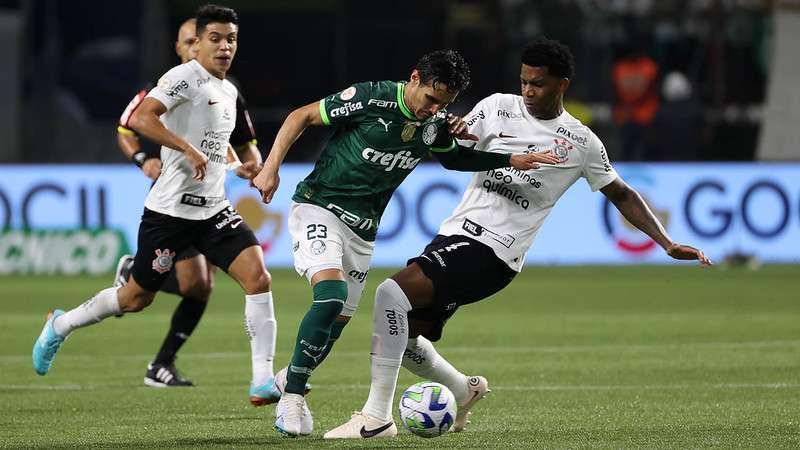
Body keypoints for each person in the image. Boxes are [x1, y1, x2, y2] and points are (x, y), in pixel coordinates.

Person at [323, 37, 711, 439]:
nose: (527, 90)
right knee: (402, 333)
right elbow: (456, 147)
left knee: (390, 295)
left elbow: (622, 194)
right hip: (454, 234)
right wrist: (452, 131)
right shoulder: (496, 107)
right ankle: (462, 388)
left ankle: (376, 418)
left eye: (538, 84)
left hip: (494, 253)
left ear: (562, 84)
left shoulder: (581, 142)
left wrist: (666, 243)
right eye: (524, 81)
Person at [251, 49, 555, 437]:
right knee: (329, 295)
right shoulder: (371, 97)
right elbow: (302, 116)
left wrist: (508, 159)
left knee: (336, 323)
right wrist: (271, 166)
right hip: (319, 207)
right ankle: (293, 398)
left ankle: (287, 378)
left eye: (443, 104)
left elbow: (453, 160)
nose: (434, 110)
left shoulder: (434, 123)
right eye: (430, 99)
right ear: (414, 78)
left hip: (363, 231)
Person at [32, 4, 284, 405]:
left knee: (259, 279)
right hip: (170, 214)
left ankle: (261, 381)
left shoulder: (228, 90)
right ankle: (60, 326)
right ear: (197, 43)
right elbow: (141, 120)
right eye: (215, 39)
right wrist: (184, 150)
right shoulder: (183, 77)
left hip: (213, 210)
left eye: (230, 39)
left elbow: (218, 148)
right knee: (135, 298)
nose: (223, 47)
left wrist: (242, 167)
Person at [115, 17, 268, 395]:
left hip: (208, 199)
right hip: (170, 201)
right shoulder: (164, 85)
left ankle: (162, 362)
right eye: (194, 40)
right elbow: (126, 128)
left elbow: (244, 139)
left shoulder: (225, 89)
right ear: (186, 45)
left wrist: (253, 167)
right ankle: (138, 275)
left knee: (201, 286)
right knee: (191, 283)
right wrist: (142, 160)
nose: (210, 47)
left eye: (226, 39)